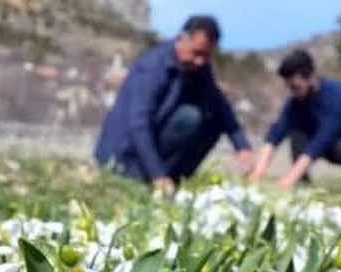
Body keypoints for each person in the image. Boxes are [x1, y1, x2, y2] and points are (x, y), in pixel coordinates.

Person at [94, 15, 255, 197]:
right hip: (122, 154)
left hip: (155, 141)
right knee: (190, 117)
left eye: (206, 56)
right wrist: (158, 174)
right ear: (182, 40)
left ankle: (173, 181)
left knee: (213, 122)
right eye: (197, 53)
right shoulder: (153, 68)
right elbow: (138, 125)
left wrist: (242, 146)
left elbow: (220, 106)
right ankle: (149, 179)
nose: (200, 61)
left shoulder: (198, 67)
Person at [249, 49, 341, 195]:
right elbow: (276, 133)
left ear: (311, 78)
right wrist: (257, 173)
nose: (293, 92)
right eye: (289, 88)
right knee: (297, 130)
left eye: (296, 87)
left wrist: (288, 180)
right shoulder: (296, 101)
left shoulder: (339, 97)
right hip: (332, 142)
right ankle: (303, 184)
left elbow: (322, 140)